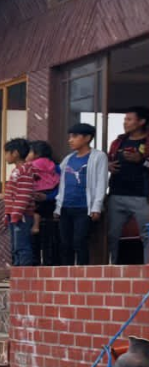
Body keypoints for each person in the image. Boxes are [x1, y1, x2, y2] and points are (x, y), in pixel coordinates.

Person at [56, 123, 109, 266]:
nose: (70, 140)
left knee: (80, 241)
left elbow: (101, 182)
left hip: (84, 207)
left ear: (87, 138)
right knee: (65, 244)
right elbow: (60, 183)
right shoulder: (68, 159)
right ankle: (66, 276)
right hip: (66, 207)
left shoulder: (98, 156)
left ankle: (82, 274)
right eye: (69, 137)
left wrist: (96, 207)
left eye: (74, 136)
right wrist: (57, 207)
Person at [106, 107, 149, 264]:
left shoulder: (147, 141)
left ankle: (147, 273)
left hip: (143, 197)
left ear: (142, 121)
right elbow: (108, 161)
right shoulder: (118, 142)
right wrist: (108, 166)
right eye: (125, 119)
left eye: (129, 119)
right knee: (112, 236)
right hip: (117, 195)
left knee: (147, 235)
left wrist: (141, 160)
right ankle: (113, 272)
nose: (125, 123)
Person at [4, 138, 38, 267]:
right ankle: (17, 273)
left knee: (22, 246)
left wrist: (16, 213)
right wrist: (7, 213)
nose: (6, 156)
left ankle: (24, 274)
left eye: (7, 152)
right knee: (15, 246)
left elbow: (23, 195)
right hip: (14, 215)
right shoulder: (16, 171)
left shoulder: (24, 171)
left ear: (15, 153)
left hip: (21, 216)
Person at [28, 140, 62, 266]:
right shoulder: (56, 167)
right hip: (51, 204)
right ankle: (50, 267)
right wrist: (48, 197)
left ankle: (36, 268)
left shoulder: (29, 166)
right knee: (50, 241)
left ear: (37, 153)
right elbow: (61, 188)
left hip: (37, 203)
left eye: (30, 151)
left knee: (36, 241)